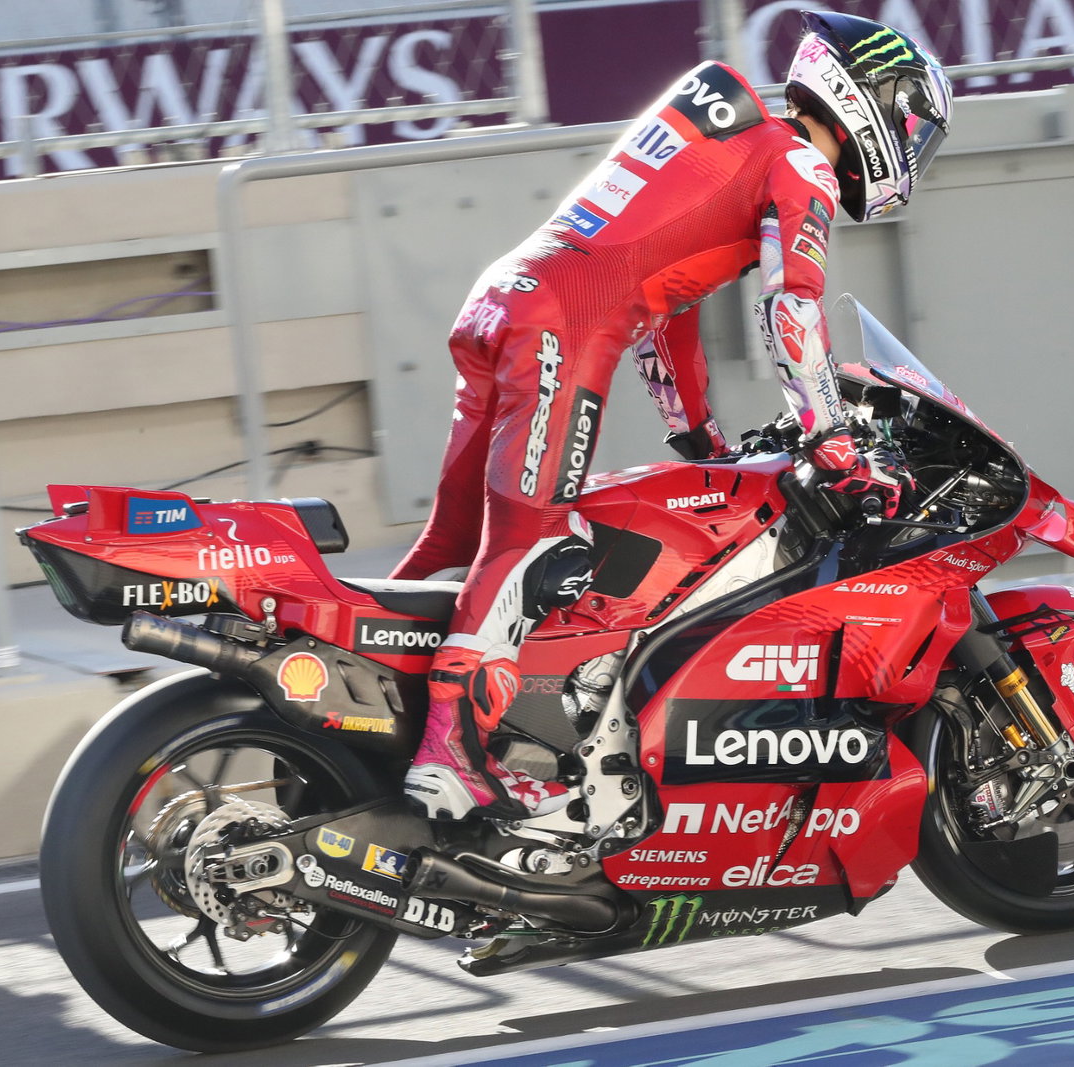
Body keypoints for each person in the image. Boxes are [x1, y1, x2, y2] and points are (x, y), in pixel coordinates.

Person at [393, 10, 955, 820]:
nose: (910, 146)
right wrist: (833, 440)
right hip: (561, 326)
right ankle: (449, 750)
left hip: (501, 300)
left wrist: (701, 442)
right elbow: (791, 309)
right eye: (912, 123)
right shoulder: (801, 163)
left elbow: (667, 312)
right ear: (869, 98)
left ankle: (361, 712)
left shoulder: (734, 139)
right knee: (529, 539)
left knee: (452, 543)